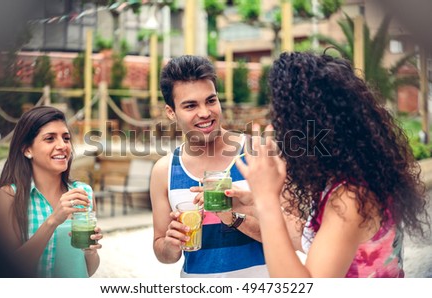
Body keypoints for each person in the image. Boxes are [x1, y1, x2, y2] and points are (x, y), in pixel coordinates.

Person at [232, 51, 430, 278]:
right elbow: (316, 241)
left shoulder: (350, 198)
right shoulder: (353, 180)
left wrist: (266, 200)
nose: (278, 130)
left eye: (281, 119)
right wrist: (251, 204)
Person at [150, 55, 269, 277]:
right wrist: (171, 244)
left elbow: (289, 233)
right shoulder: (164, 171)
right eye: (190, 105)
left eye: (211, 100)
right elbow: (162, 251)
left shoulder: (256, 152)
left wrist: (233, 215)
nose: (205, 113)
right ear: (170, 112)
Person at [0, 106, 103, 278]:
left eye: (66, 138)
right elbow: (8, 270)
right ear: (27, 149)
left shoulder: (84, 193)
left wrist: (90, 252)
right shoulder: (8, 196)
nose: (62, 146)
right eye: (50, 139)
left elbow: (88, 270)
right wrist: (52, 221)